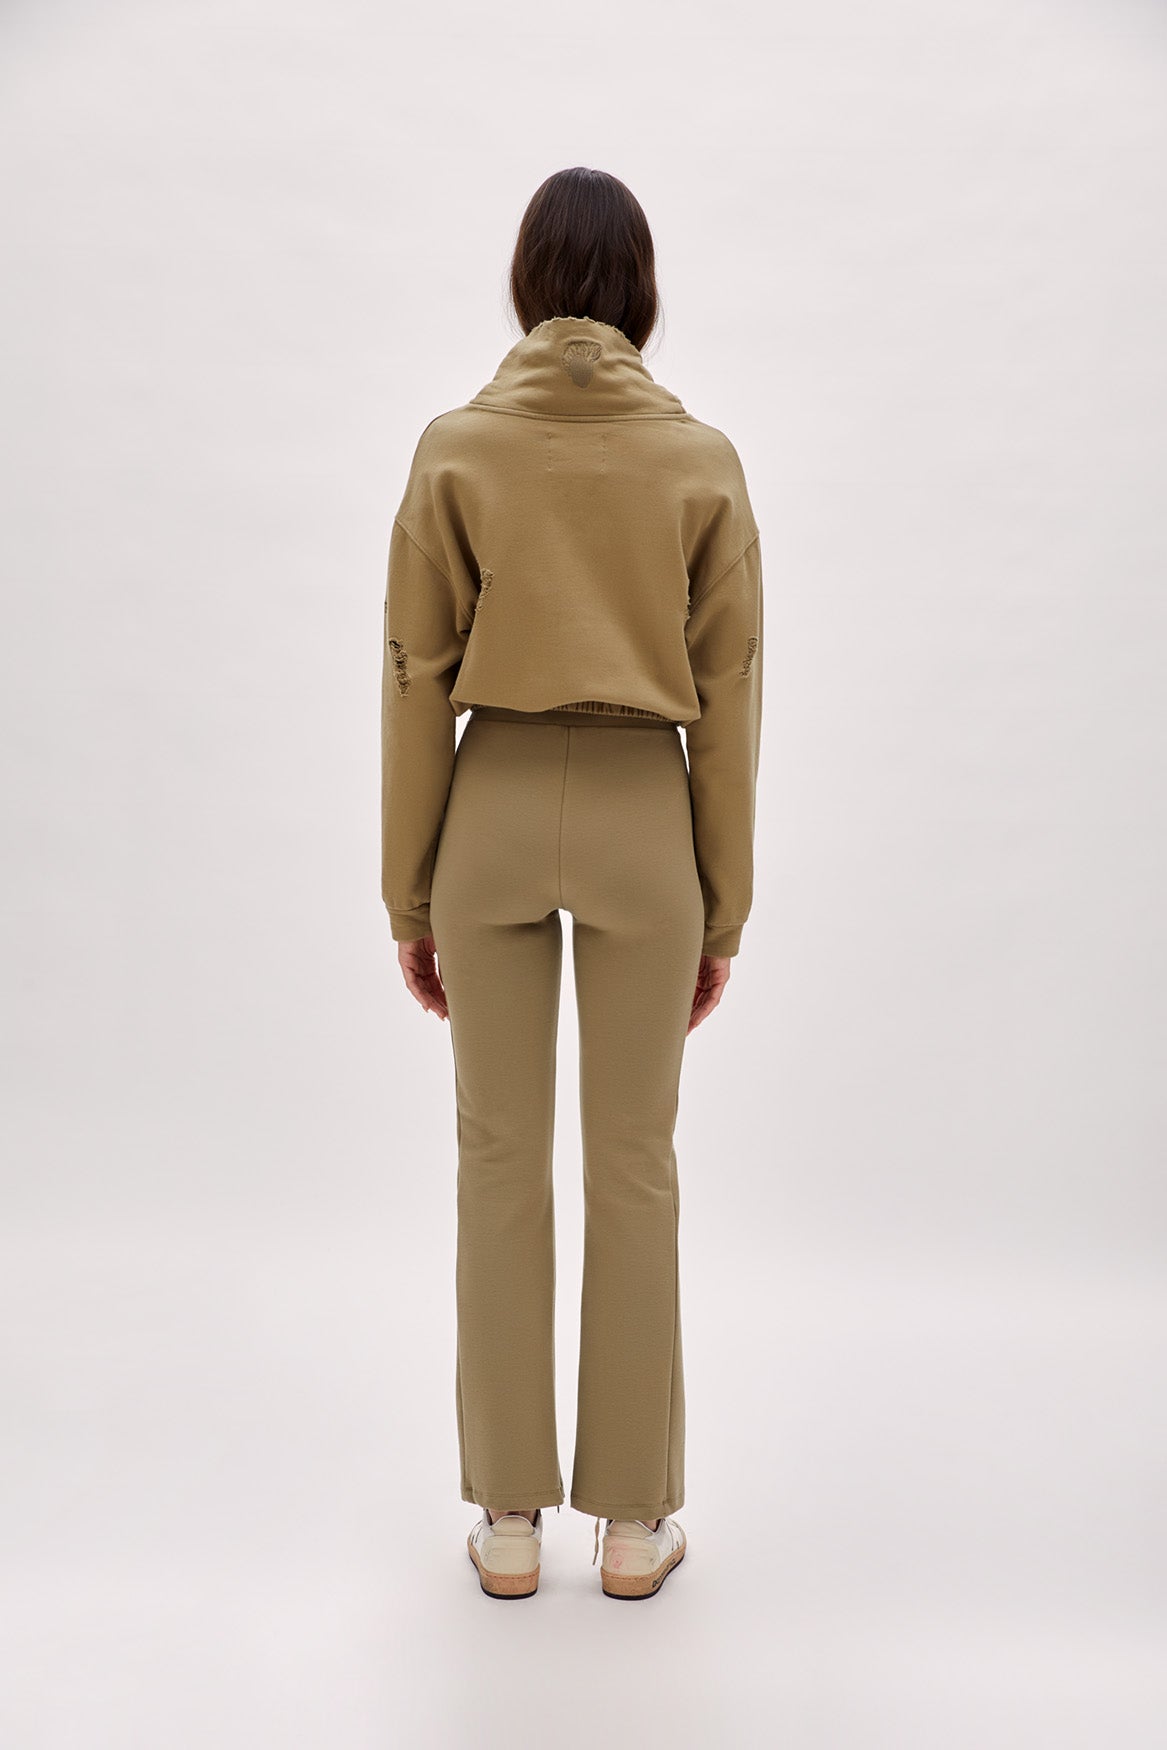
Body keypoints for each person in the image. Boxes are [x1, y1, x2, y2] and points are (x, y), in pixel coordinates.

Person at [380, 166, 763, 1599]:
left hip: (487, 801)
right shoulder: (701, 463)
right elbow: (730, 696)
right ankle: (633, 1523)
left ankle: (506, 1520)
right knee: (634, 1163)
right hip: (641, 818)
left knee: (497, 1158)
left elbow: (414, 680)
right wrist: (722, 906)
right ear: (642, 293)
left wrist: (409, 892)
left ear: (527, 287)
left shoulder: (456, 450)